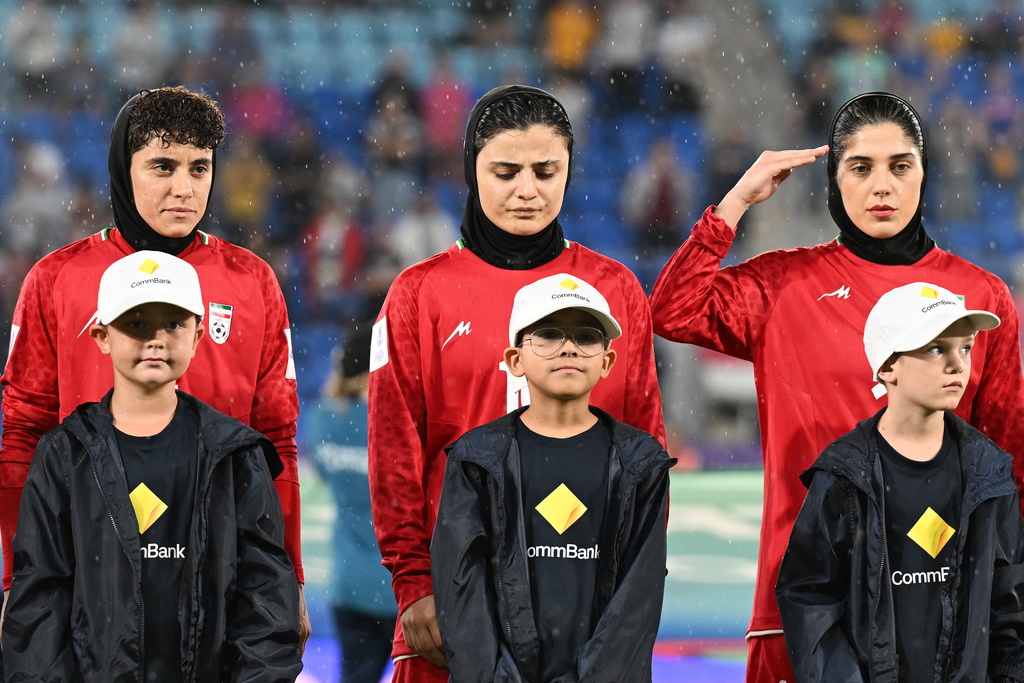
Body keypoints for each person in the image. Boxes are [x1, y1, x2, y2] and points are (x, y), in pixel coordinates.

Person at [649, 91, 1024, 683]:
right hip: (802, 605)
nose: (882, 186)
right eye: (860, 167)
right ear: (834, 179)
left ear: (924, 174)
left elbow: (1009, 463)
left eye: (900, 166)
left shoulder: (982, 299)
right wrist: (734, 204)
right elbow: (671, 311)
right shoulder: (784, 286)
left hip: (940, 606)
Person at [368, 84, 666, 683]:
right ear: (470, 169)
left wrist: (630, 605)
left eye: (545, 171)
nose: (527, 190)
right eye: (505, 171)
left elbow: (644, 460)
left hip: (588, 604)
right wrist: (413, 582)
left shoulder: (616, 291)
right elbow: (394, 455)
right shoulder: (417, 295)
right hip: (454, 605)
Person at [0, 86, 310, 646]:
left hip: (224, 574)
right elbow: (24, 438)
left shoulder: (253, 281)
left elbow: (276, 444)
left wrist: (290, 580)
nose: (184, 188)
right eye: (162, 166)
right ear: (124, 167)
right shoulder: (56, 280)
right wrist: (15, 583)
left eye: (199, 167)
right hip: (88, 576)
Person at [2, 251, 302, 681]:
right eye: (136, 323)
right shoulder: (64, 455)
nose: (156, 339)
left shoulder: (235, 455)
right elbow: (40, 601)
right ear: (102, 336)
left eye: (174, 324)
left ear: (199, 336)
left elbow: (265, 599)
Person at [431, 273, 674, 682]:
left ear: (606, 362)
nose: (568, 348)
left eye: (586, 336)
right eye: (547, 334)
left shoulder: (642, 464)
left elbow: (637, 602)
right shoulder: (476, 460)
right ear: (515, 360)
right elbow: (462, 591)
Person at [776, 282, 1024, 681]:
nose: (958, 365)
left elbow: (1010, 606)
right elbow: (810, 601)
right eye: (936, 349)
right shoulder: (843, 474)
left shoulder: (990, 472)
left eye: (965, 347)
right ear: (887, 366)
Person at [304, 328, 397, 683]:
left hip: (349, 582)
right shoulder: (394, 424)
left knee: (355, 675)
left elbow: (329, 475)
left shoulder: (322, 420)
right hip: (400, 584)